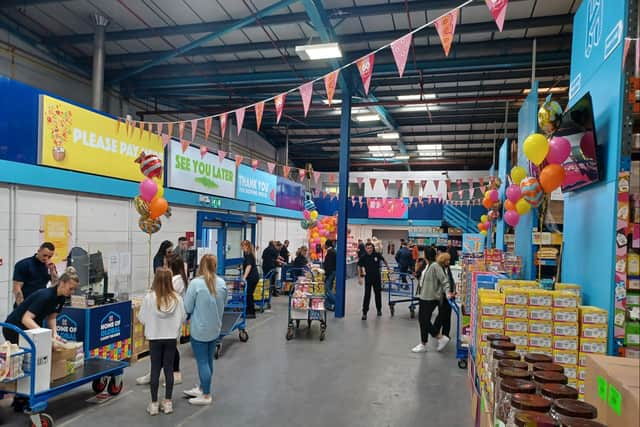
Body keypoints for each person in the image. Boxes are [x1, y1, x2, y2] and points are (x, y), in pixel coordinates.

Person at [137, 267, 185, 416]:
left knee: (155, 370)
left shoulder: (149, 298)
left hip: (155, 338)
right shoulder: (177, 298)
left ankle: (153, 404)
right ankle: (168, 402)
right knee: (169, 369)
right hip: (171, 338)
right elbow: (183, 317)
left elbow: (142, 318)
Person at [136, 255, 188, 387]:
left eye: (166, 265)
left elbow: (144, 316)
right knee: (165, 355)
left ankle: (171, 374)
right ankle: (160, 374)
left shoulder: (175, 282)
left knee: (166, 356)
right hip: (168, 328)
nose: (165, 267)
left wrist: (154, 293)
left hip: (164, 327)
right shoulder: (179, 280)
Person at [183, 254, 227, 406]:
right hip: (215, 328)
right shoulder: (222, 283)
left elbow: (187, 307)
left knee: (202, 362)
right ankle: (203, 387)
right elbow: (224, 304)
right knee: (208, 361)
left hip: (199, 330)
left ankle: (206, 395)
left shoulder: (195, 284)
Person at [3, 267, 78, 345]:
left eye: (74, 289)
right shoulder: (45, 296)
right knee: (27, 355)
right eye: (71, 288)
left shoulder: (62, 298)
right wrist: (43, 335)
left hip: (30, 327)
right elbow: (26, 319)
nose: (72, 292)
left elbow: (52, 317)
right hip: (14, 327)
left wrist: (54, 334)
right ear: (62, 283)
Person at [412, 253, 453, 353]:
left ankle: (440, 337)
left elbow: (445, 281)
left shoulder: (435, 266)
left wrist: (447, 292)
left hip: (431, 297)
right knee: (422, 320)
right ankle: (423, 343)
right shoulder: (426, 265)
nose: (449, 262)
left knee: (424, 320)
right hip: (424, 296)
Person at [12, 242, 58, 306]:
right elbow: (17, 289)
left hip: (40, 304)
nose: (46, 258)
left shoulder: (50, 266)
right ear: (39, 251)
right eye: (44, 255)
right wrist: (21, 307)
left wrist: (52, 270)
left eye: (49, 257)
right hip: (25, 303)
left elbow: (55, 284)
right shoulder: (24, 264)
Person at [357, 242, 389, 320]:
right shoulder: (363, 257)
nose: (369, 249)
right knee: (367, 295)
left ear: (373, 248)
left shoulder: (377, 255)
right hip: (368, 278)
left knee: (378, 294)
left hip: (377, 278)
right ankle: (364, 313)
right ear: (365, 249)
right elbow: (359, 266)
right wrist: (359, 277)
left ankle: (379, 309)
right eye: (368, 248)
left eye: (371, 248)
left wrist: (388, 267)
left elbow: (384, 259)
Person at [438, 261, 457, 341]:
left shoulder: (448, 269)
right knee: (442, 314)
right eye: (447, 260)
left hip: (449, 295)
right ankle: (435, 331)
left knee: (447, 315)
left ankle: (445, 334)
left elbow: (451, 280)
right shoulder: (439, 269)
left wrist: (453, 291)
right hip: (442, 296)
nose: (449, 262)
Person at [241, 240, 260, 319]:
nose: (241, 248)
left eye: (242, 246)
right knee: (249, 294)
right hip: (253, 277)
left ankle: (251, 313)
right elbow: (248, 265)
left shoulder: (248, 255)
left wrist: (243, 278)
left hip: (252, 277)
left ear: (246, 246)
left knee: (249, 294)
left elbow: (249, 267)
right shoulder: (249, 254)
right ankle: (249, 311)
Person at [323, 240, 337, 311]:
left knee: (327, 288)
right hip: (333, 272)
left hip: (330, 272)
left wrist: (326, 274)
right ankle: (328, 305)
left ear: (326, 245)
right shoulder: (333, 251)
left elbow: (329, 265)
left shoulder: (330, 252)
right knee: (329, 288)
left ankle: (336, 302)